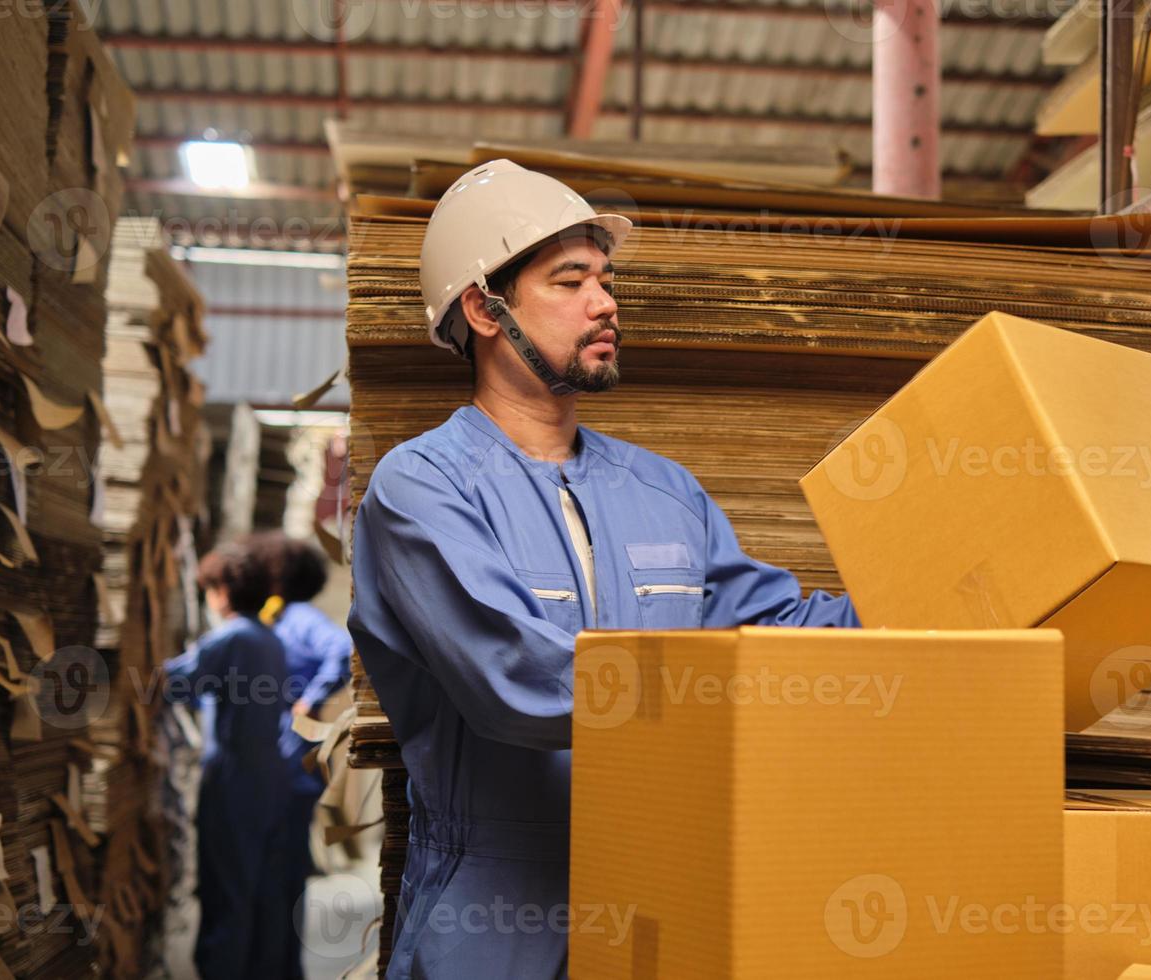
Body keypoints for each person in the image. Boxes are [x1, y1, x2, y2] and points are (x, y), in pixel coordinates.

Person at [348, 160, 860, 979]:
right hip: (494, 916)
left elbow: (777, 629)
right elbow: (519, 682)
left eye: (607, 278)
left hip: (657, 898)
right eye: (571, 280)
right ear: (485, 309)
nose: (606, 301)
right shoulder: (423, 488)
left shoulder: (663, 490)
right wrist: (732, 688)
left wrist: (946, 610)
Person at [164, 541, 290, 980]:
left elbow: (178, 683)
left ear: (222, 590)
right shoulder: (270, 639)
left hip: (234, 775)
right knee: (253, 887)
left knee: (224, 889)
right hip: (268, 774)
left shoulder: (233, 637)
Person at [250, 530, 354, 979]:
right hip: (273, 765)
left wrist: (308, 702)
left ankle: (281, 969)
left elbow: (342, 650)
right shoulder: (270, 619)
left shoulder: (298, 619)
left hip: (290, 767)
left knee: (282, 874)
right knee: (269, 874)